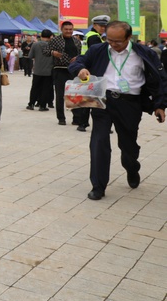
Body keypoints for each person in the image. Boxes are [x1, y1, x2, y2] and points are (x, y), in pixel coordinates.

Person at [70, 21, 167, 200]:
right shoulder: (98, 50)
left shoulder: (144, 53)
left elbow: (160, 79)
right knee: (99, 141)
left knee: (128, 145)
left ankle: (132, 167)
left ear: (129, 37)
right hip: (103, 100)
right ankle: (98, 186)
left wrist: (160, 105)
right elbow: (78, 62)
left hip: (130, 104)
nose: (113, 44)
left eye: (118, 41)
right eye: (110, 40)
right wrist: (81, 69)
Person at [74, 14, 110, 132]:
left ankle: (82, 123)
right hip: (92, 69)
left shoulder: (89, 35)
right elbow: (97, 55)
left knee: (88, 96)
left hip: (87, 68)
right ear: (94, 25)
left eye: (105, 26)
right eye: (101, 26)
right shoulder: (94, 37)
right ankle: (87, 123)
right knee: (94, 97)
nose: (103, 28)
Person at [49, 21, 84, 126]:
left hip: (73, 70)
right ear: (61, 29)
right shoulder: (55, 40)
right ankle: (61, 118)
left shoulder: (77, 41)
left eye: (70, 29)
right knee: (60, 95)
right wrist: (53, 53)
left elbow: (80, 54)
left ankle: (76, 118)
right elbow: (45, 51)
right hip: (60, 69)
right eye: (66, 29)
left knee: (74, 94)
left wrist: (77, 58)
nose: (68, 31)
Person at [26, 29, 54, 111]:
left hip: (37, 70)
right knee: (45, 89)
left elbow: (30, 56)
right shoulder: (52, 46)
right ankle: (42, 106)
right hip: (48, 71)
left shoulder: (35, 45)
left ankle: (31, 104)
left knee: (35, 87)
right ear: (50, 37)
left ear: (41, 36)